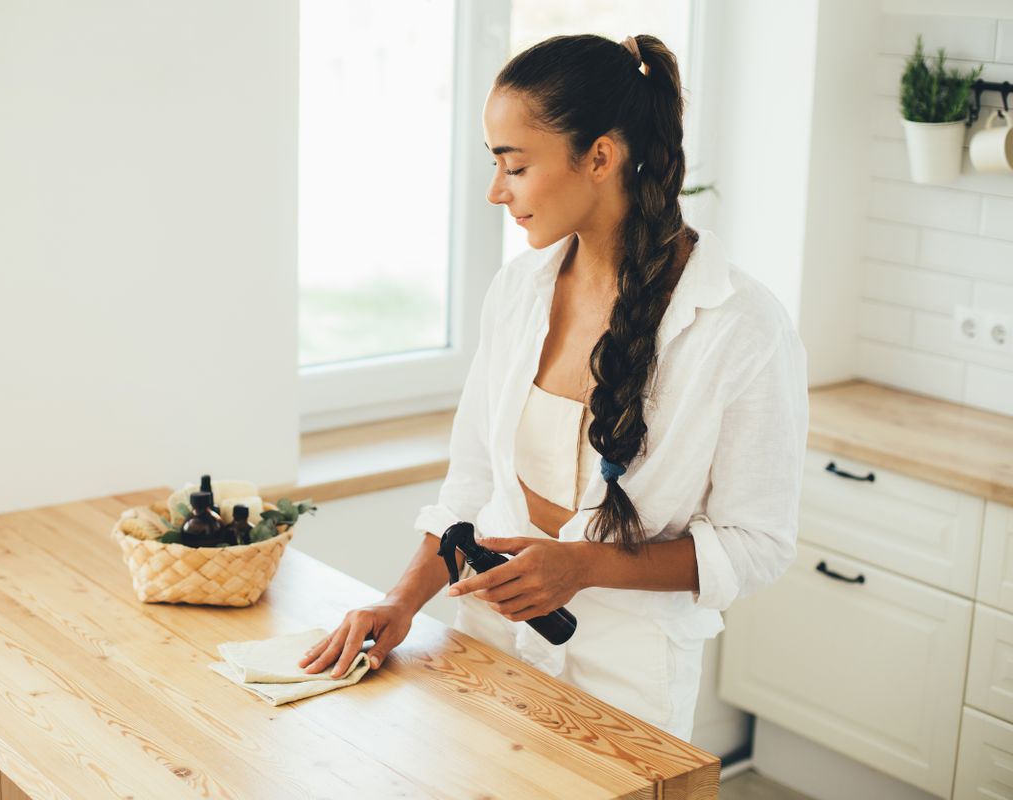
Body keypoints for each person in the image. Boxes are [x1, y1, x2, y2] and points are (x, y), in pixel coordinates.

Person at [296, 32, 808, 742]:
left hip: (627, 677)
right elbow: (471, 483)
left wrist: (585, 564)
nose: (496, 190)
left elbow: (758, 544)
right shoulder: (517, 291)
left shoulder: (741, 327)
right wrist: (402, 601)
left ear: (599, 157)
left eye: (516, 165)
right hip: (488, 641)